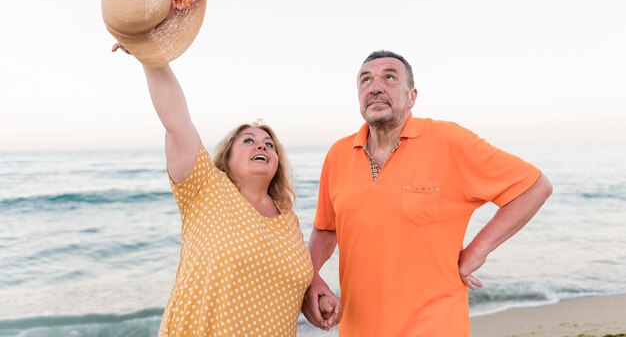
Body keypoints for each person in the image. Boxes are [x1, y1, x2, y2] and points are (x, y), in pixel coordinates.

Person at [302, 50, 553, 336]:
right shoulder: (338, 154)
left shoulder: (450, 141)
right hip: (358, 328)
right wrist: (312, 278)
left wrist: (476, 251)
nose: (375, 86)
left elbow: (533, 187)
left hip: (435, 325)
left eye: (389, 77)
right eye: (365, 80)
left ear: (412, 96)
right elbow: (325, 229)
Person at [112, 44, 341, 336]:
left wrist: (316, 291)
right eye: (248, 140)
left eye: (269, 145)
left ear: (277, 163)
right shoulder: (205, 186)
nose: (261, 145)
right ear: (227, 158)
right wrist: (149, 55)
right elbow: (176, 122)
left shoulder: (288, 219)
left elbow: (286, 282)